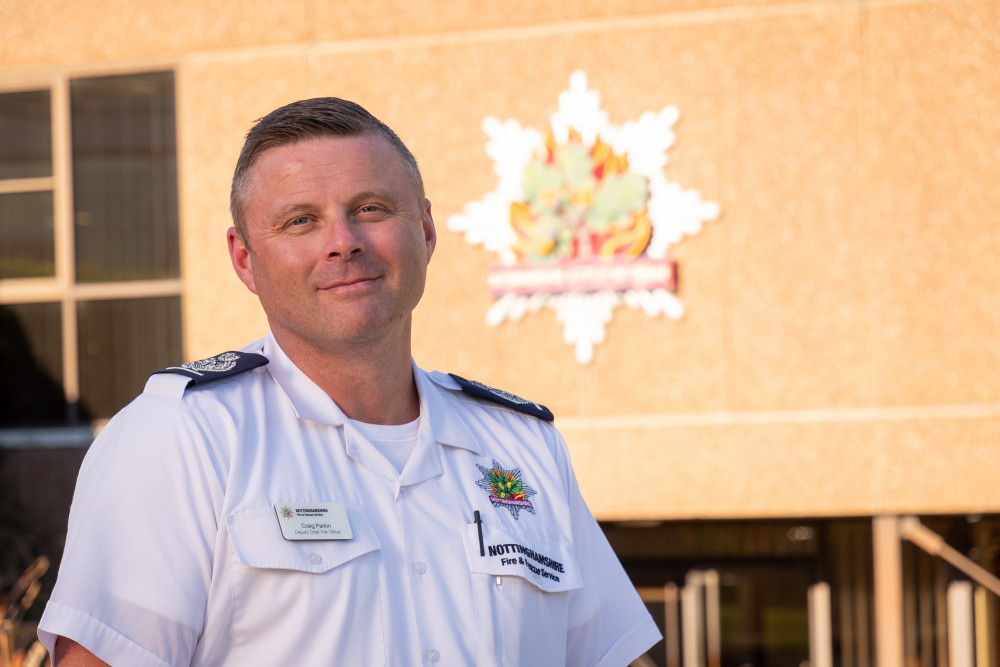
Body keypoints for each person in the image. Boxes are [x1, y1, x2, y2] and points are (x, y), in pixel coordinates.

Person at [38, 97, 661, 666]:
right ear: (243, 259)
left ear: (426, 230)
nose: (343, 243)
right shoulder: (183, 437)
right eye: (300, 221)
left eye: (370, 209)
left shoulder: (523, 447)